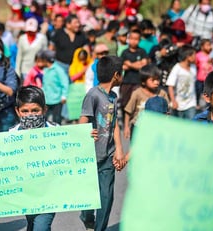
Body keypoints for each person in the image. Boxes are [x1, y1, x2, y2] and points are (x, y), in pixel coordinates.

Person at [79, 56, 125, 231]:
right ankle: (86, 215)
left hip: (107, 155)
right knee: (90, 195)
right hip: (90, 154)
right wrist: (83, 135)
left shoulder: (113, 97)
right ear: (116, 75)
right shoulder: (93, 95)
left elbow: (113, 125)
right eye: (122, 74)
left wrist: (119, 150)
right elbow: (82, 121)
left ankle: (100, 228)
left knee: (107, 196)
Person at [9, 86, 58, 230]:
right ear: (17, 111)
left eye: (35, 110)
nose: (30, 115)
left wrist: (86, 138)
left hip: (49, 193)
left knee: (41, 226)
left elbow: (71, 153)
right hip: (26, 192)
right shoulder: (12, 134)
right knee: (32, 223)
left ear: (44, 109)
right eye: (25, 111)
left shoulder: (56, 131)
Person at [123, 64, 169, 139]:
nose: (156, 82)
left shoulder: (162, 93)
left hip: (157, 127)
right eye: (153, 80)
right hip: (138, 126)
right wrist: (126, 127)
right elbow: (128, 111)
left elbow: (167, 112)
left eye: (158, 79)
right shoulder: (137, 93)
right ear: (143, 82)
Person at [119, 29, 148, 120]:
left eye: (136, 39)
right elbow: (122, 67)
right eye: (131, 38)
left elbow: (143, 65)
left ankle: (136, 122)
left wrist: (129, 64)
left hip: (139, 82)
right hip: (126, 82)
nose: (133, 41)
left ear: (139, 40)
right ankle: (125, 122)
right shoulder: (124, 52)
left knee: (138, 104)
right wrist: (136, 64)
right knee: (125, 103)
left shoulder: (142, 52)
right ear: (128, 39)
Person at [167, 45, 197, 119]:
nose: (195, 57)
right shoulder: (177, 68)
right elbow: (170, 86)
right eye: (193, 55)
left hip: (191, 103)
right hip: (179, 103)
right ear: (188, 56)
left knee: (190, 125)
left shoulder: (193, 67)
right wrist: (173, 101)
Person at [41, 50, 69, 124]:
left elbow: (64, 82)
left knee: (56, 119)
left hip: (57, 99)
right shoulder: (45, 70)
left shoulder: (58, 70)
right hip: (47, 99)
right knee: (44, 119)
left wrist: (64, 96)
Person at [195, 39, 213, 109]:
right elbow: (196, 66)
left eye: (210, 45)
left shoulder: (212, 55)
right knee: (199, 94)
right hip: (200, 79)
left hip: (209, 80)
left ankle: (207, 109)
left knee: (208, 96)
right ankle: (198, 107)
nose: (210, 47)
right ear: (202, 47)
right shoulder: (198, 55)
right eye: (208, 45)